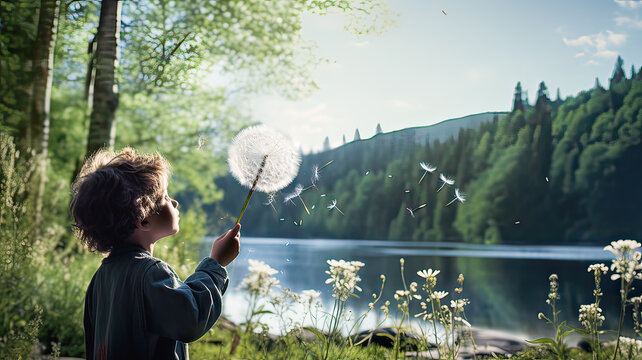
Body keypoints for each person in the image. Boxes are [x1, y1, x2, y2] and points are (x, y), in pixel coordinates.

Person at [70, 147, 240, 360]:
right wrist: (216, 264)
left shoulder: (100, 280)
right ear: (143, 220)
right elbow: (191, 318)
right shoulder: (151, 273)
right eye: (165, 197)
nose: (174, 202)